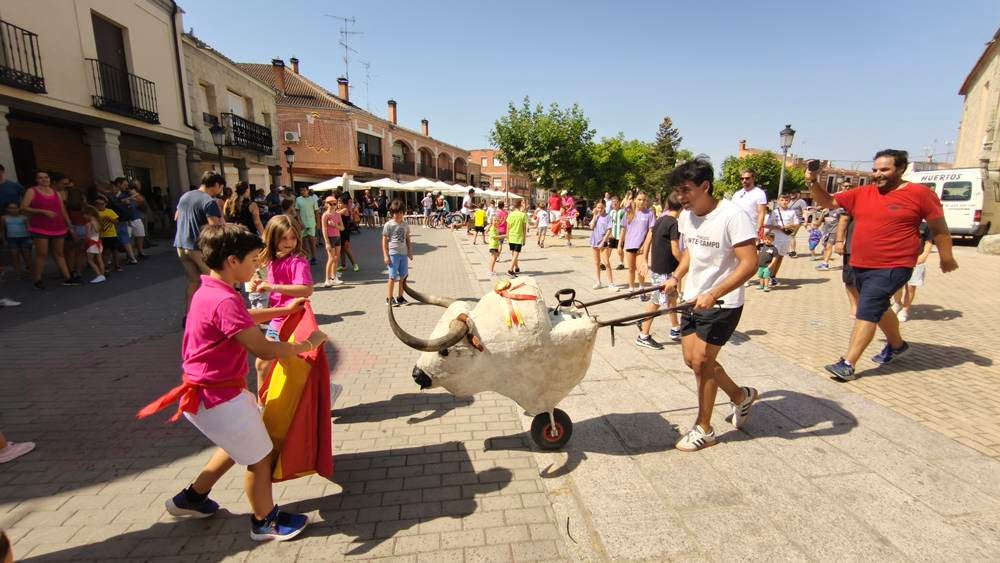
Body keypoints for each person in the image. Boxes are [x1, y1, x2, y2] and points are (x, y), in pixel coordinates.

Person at [141, 223, 325, 542]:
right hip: (217, 398)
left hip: (212, 394)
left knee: (235, 445)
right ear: (232, 261)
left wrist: (282, 309)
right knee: (259, 457)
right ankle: (264, 521)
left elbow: (243, 319)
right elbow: (263, 347)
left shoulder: (212, 290)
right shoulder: (224, 299)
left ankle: (193, 498)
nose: (258, 266)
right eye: (253, 260)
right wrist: (307, 345)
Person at [807, 150, 958, 381]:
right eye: (875, 169)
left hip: (894, 265)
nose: (878, 174)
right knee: (878, 307)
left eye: (884, 170)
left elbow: (940, 229)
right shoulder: (863, 192)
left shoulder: (920, 194)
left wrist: (946, 257)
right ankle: (897, 345)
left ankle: (848, 363)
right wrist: (812, 181)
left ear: (901, 169)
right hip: (859, 263)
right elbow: (827, 202)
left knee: (867, 309)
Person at [660, 158, 759, 452]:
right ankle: (741, 396)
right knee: (692, 360)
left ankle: (704, 428)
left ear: (705, 186)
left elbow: (750, 263)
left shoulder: (733, 215)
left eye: (686, 190)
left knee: (702, 363)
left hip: (723, 302)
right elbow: (692, 250)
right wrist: (676, 276)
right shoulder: (687, 216)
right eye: (678, 191)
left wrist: (714, 293)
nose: (681, 197)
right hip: (693, 298)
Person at [250, 215, 315, 391]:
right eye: (284, 238)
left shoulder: (297, 261)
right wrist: (257, 280)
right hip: (278, 319)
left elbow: (306, 289)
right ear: (273, 238)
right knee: (266, 365)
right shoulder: (271, 259)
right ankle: (263, 407)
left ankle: (324, 391)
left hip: (293, 321)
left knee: (276, 365)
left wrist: (272, 287)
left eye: (293, 237)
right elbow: (257, 274)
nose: (289, 242)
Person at [637, 191, 684, 348]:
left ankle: (675, 328)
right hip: (664, 270)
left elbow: (649, 239)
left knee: (672, 298)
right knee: (656, 302)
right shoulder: (673, 223)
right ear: (682, 206)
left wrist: (645, 258)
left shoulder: (660, 220)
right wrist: (687, 263)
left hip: (660, 267)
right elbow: (675, 249)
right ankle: (643, 335)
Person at [174, 172, 224, 311]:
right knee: (216, 282)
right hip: (198, 247)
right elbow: (215, 228)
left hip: (181, 245)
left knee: (194, 281)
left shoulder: (185, 196)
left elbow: (176, 217)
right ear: (216, 185)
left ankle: (189, 314)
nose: (220, 191)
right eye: (220, 187)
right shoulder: (209, 201)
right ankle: (214, 314)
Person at [21, 171, 79, 289]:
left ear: (49, 179)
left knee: (59, 253)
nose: (44, 179)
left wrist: (69, 226)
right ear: (36, 180)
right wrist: (42, 211)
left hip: (58, 227)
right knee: (42, 254)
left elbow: (62, 211)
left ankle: (68, 277)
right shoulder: (32, 191)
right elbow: (23, 207)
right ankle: (37, 279)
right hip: (40, 227)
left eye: (46, 177)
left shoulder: (56, 193)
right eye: (40, 178)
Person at [892, 221, 934, 323]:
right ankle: (897, 303)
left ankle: (905, 310)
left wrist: (924, 255)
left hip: (917, 260)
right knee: (897, 286)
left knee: (911, 287)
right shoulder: (901, 223)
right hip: (900, 258)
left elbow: (929, 242)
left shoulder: (925, 226)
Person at [621, 192, 655, 295]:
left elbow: (651, 231)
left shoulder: (649, 214)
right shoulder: (630, 213)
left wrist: (644, 245)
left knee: (641, 268)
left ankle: (641, 289)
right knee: (631, 269)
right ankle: (631, 289)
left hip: (641, 246)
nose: (642, 202)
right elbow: (624, 229)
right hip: (630, 245)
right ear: (635, 200)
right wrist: (619, 245)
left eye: (644, 200)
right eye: (639, 199)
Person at [761, 194, 800, 285]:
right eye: (782, 200)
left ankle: (773, 276)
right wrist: (777, 227)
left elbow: (797, 223)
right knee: (772, 258)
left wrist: (789, 226)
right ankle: (766, 276)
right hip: (775, 239)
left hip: (786, 239)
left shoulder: (792, 212)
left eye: (786, 200)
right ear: (778, 201)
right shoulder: (774, 212)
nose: (784, 202)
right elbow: (766, 225)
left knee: (780, 257)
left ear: (789, 201)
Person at [382, 199, 413, 306]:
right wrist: (386, 255)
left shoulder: (405, 225)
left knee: (403, 276)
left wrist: (410, 251)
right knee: (392, 276)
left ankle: (400, 297)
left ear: (403, 213)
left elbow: (408, 238)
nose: (397, 215)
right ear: (391, 214)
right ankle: (389, 298)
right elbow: (384, 241)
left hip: (403, 254)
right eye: (395, 213)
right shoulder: (389, 225)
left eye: (400, 213)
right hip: (393, 254)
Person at [834, 213, 860, 318]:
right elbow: (844, 219)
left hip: (876, 248)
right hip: (852, 247)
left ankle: (866, 305)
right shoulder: (855, 198)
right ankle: (854, 305)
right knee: (849, 279)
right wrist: (839, 241)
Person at [731, 169, 767, 237]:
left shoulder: (759, 193)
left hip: (751, 230)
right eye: (742, 179)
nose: (744, 180)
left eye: (747, 178)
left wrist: (758, 230)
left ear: (753, 178)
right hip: (735, 229)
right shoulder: (737, 194)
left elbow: (761, 213)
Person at [2, 202, 31, 279]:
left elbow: (28, 228)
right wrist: (4, 240)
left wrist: (30, 239)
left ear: (18, 209)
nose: (13, 210)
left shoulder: (24, 217)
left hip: (24, 238)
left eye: (15, 208)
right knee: (14, 255)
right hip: (11, 239)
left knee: (27, 256)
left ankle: (30, 269)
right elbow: (2, 230)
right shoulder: (4, 218)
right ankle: (18, 272)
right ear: (7, 209)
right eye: (11, 208)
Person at [589, 200, 614, 289]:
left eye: (601, 208)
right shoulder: (597, 216)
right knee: (597, 263)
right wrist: (594, 216)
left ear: (604, 208)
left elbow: (609, 230)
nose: (600, 209)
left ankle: (611, 283)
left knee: (606, 262)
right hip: (594, 241)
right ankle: (598, 281)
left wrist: (603, 242)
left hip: (603, 242)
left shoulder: (608, 217)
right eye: (598, 207)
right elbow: (591, 227)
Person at [321, 196, 345, 287]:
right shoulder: (325, 215)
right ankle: (327, 280)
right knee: (331, 258)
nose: (333, 205)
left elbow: (342, 228)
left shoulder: (337, 215)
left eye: (335, 204)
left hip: (337, 237)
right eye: (331, 204)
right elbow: (324, 229)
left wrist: (335, 225)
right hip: (330, 238)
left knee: (336, 258)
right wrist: (326, 242)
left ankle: (334, 277)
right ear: (327, 204)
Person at [294, 186, 319, 265]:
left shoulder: (313, 199)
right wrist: (300, 222)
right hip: (302, 223)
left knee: (312, 241)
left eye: (304, 190)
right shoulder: (298, 199)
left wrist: (318, 223)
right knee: (303, 242)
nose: (303, 191)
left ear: (308, 191)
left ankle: (314, 257)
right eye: (301, 190)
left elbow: (316, 211)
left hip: (311, 222)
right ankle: (306, 257)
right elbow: (297, 211)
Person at [81, 205, 106, 283]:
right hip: (98, 241)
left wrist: (83, 242)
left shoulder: (88, 224)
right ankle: (102, 274)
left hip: (92, 243)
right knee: (99, 259)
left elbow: (88, 236)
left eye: (84, 214)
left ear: (88, 214)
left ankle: (99, 275)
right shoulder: (98, 221)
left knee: (90, 260)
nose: (83, 216)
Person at [337, 194, 359, 272]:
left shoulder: (345, 210)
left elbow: (335, 215)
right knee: (341, 250)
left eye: (340, 203)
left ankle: (354, 264)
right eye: (338, 202)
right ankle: (343, 265)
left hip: (345, 232)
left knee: (346, 248)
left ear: (345, 204)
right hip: (339, 232)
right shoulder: (340, 210)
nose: (338, 204)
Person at [506, 199, 527, 277]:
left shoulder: (510, 214)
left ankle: (516, 267)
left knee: (513, 254)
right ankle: (510, 270)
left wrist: (507, 236)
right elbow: (524, 228)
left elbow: (508, 227)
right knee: (516, 254)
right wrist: (524, 239)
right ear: (520, 205)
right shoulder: (522, 215)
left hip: (511, 236)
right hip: (518, 237)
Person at [787, 192, 809, 257]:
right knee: (788, 235)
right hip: (789, 221)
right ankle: (789, 250)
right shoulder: (789, 201)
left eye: (794, 193)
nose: (792, 195)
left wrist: (805, 221)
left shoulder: (801, 201)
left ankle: (793, 252)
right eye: (791, 193)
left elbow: (804, 211)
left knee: (791, 235)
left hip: (797, 221)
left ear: (798, 194)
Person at [608, 195, 627, 270]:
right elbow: (609, 223)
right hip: (612, 234)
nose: (614, 204)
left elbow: (625, 225)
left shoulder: (622, 212)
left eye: (616, 202)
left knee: (620, 249)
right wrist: (609, 233)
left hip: (620, 234)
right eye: (613, 202)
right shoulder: (611, 212)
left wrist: (623, 235)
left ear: (619, 203)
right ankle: (605, 262)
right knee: (609, 248)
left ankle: (621, 263)